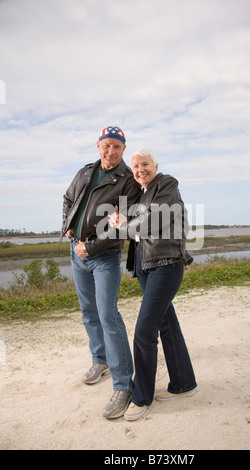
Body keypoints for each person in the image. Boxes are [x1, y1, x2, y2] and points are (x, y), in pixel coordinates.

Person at [109, 148, 197, 421]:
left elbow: (154, 221)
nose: (139, 170)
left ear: (155, 165)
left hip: (167, 265)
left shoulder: (167, 184)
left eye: (144, 164)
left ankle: (141, 396)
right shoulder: (142, 193)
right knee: (167, 325)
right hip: (146, 269)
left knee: (144, 332)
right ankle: (183, 383)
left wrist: (124, 225)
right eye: (134, 166)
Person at [61, 126, 141, 419]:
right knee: (88, 311)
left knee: (108, 315)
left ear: (123, 149)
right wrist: (67, 226)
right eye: (107, 145)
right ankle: (100, 359)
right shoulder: (84, 172)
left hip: (103, 256)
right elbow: (68, 199)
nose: (111, 151)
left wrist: (90, 248)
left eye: (117, 147)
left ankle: (123, 386)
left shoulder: (128, 182)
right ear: (98, 146)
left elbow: (120, 226)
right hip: (76, 251)